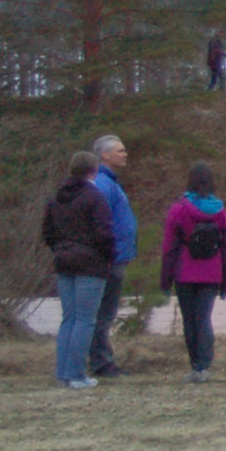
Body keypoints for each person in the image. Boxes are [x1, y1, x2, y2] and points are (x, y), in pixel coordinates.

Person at [42, 150, 114, 390]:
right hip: (90, 265)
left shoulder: (56, 197)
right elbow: (104, 234)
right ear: (93, 170)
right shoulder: (95, 198)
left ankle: (63, 373)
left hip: (64, 262)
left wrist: (61, 249)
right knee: (85, 320)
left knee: (69, 319)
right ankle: (76, 374)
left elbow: (47, 233)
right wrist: (108, 258)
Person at [160, 162, 226, 381]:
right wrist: (225, 280)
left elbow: (169, 247)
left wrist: (165, 278)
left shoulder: (179, 210)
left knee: (189, 319)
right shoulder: (221, 212)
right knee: (204, 318)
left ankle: (195, 365)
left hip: (185, 271)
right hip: (212, 271)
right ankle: (204, 364)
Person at [85, 134, 137, 379]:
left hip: (115, 256)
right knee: (103, 314)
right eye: (120, 150)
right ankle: (101, 363)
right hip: (110, 258)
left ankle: (101, 361)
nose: (125, 154)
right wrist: (106, 251)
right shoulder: (104, 185)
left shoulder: (110, 183)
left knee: (104, 314)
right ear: (105, 155)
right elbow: (98, 222)